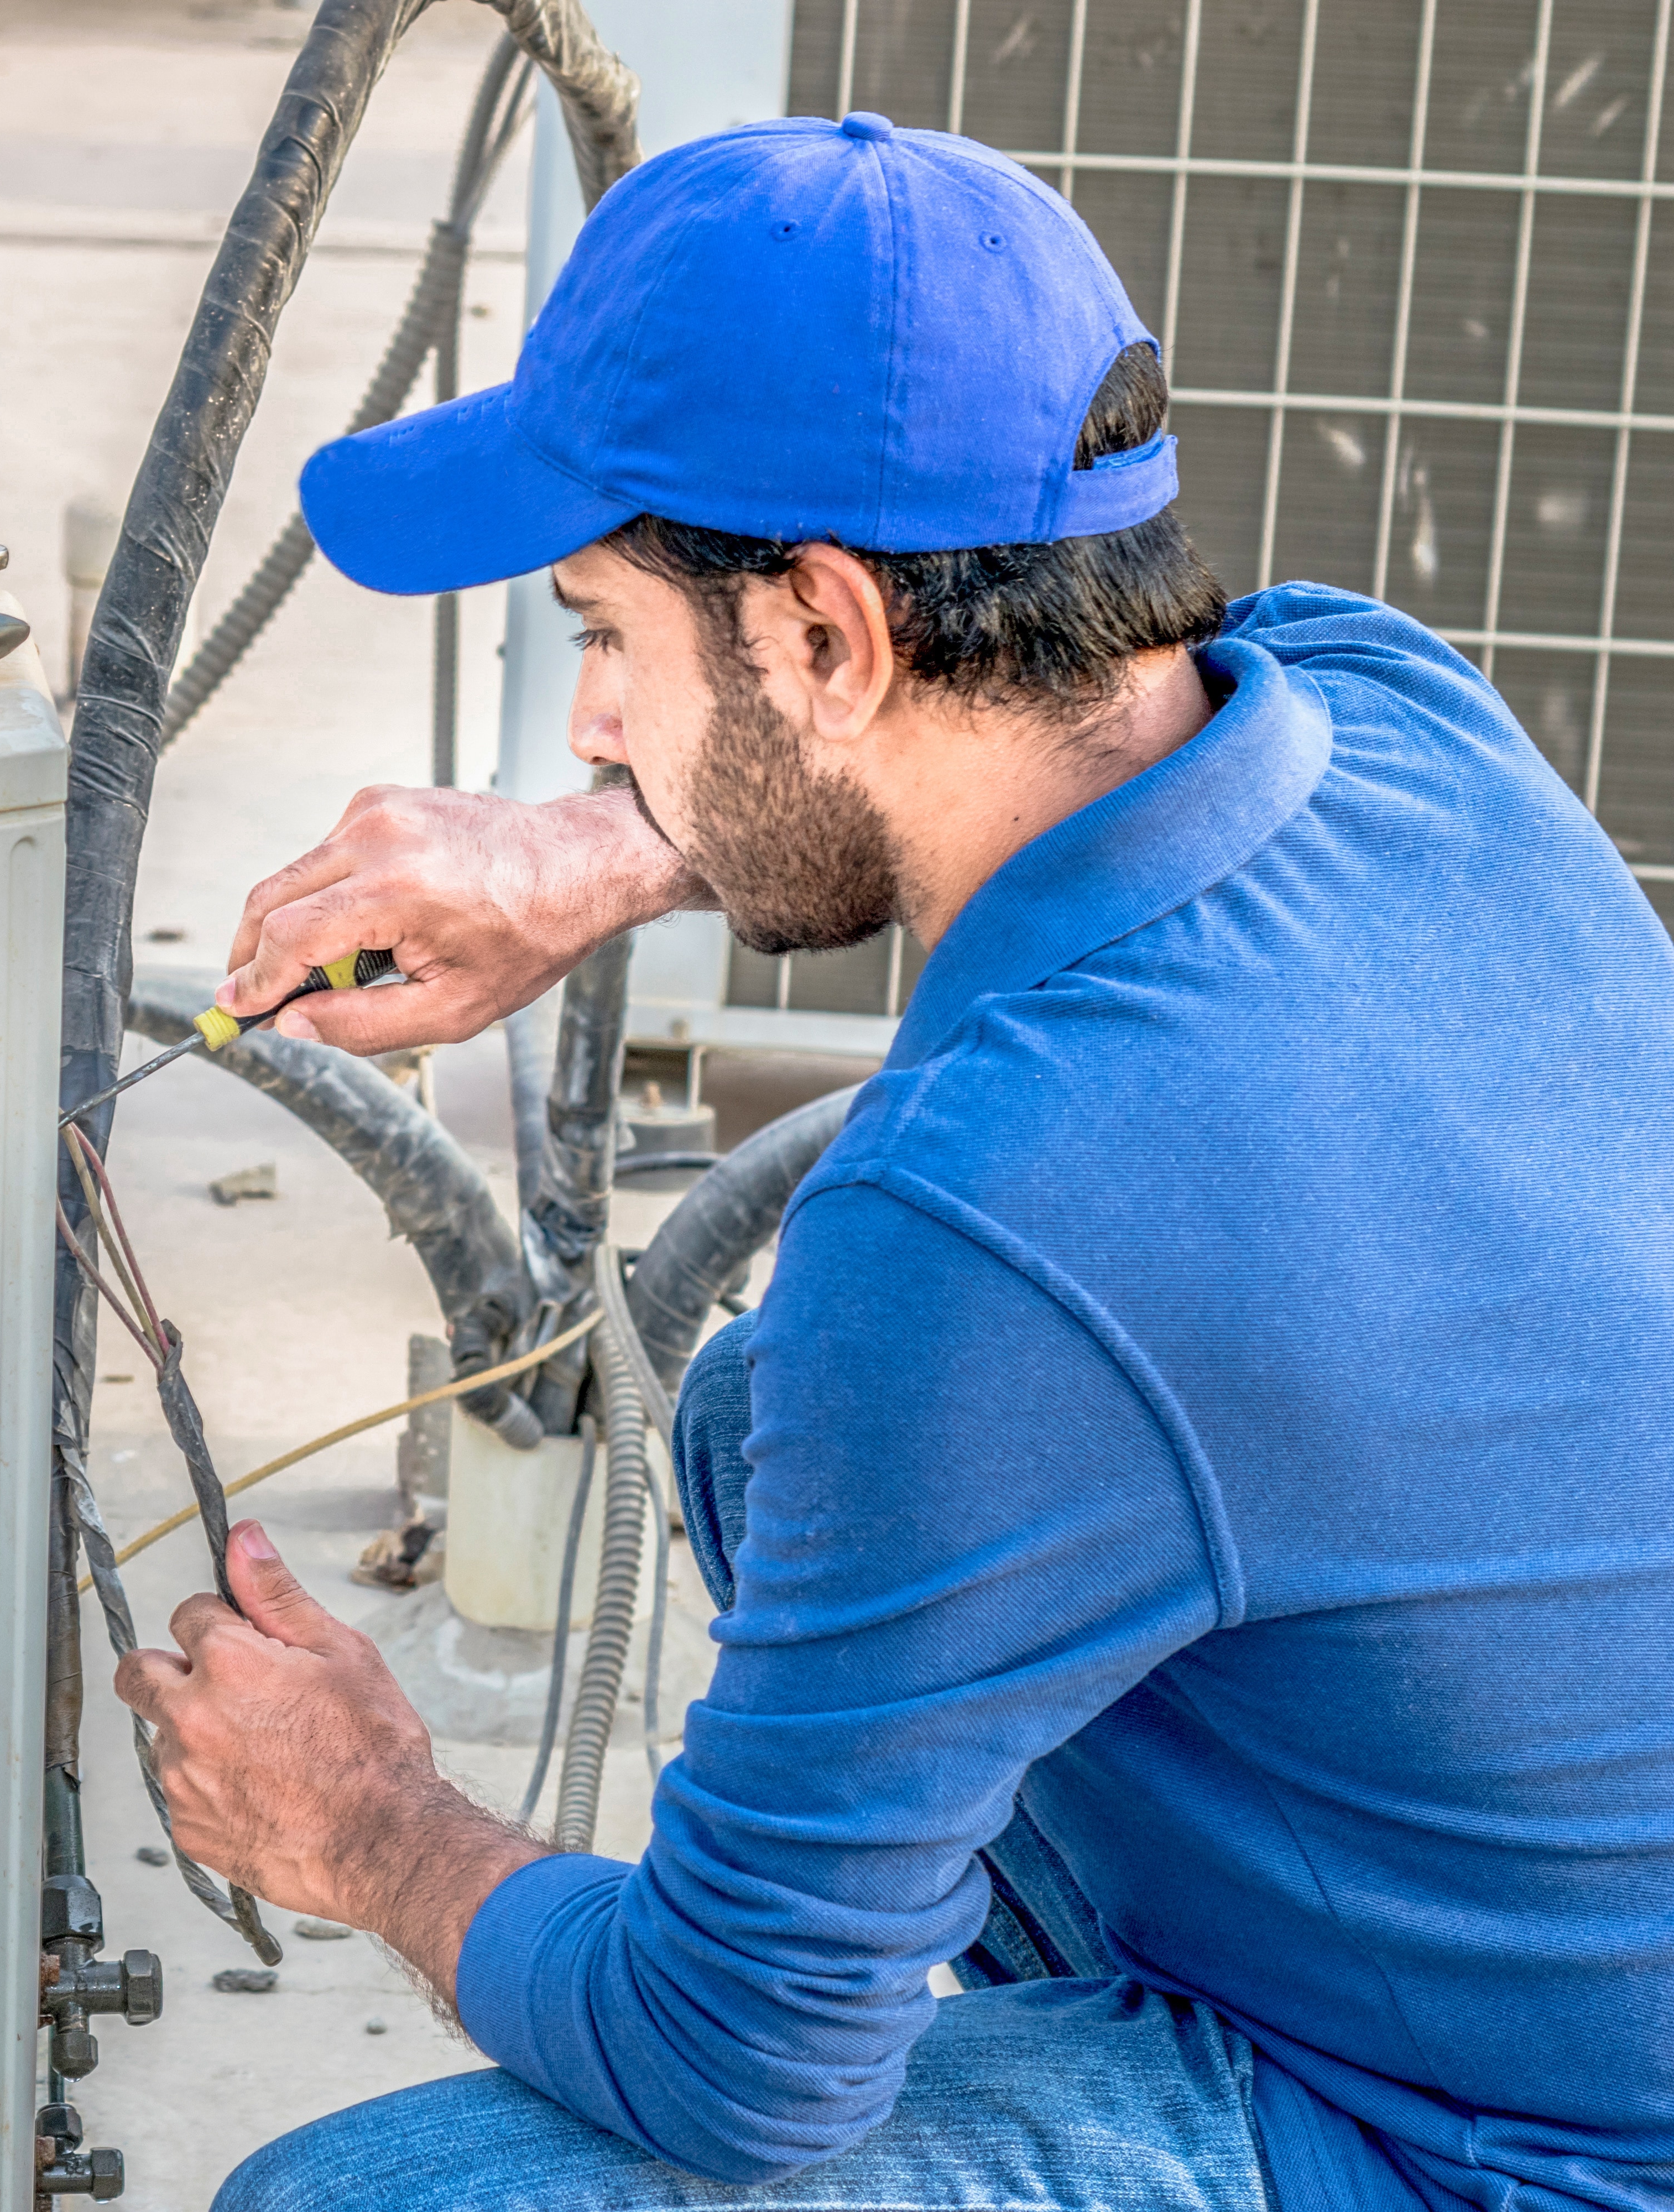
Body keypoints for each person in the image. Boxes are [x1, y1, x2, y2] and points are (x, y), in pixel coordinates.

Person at [112, 111, 1674, 2212]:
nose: (587, 727)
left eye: (605, 635)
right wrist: (592, 863)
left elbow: (733, 2069)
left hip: (1521, 2151)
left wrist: (377, 1825)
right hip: (1556, 1922)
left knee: (353, 2206)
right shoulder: (1391, 713)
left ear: (828, 639)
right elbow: (1007, 754)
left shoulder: (992, 1223)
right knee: (770, 1421)